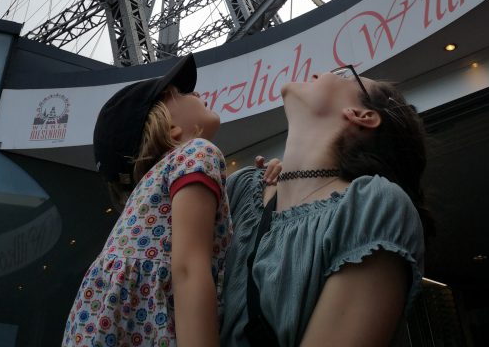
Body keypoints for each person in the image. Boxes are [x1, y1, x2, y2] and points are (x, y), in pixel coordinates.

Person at [220, 66, 430, 347]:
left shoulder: (371, 206)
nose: (322, 72)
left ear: (362, 116)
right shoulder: (241, 188)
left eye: (345, 75)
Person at [62, 54, 229, 347]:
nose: (198, 94)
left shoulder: (148, 188)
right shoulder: (197, 152)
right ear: (170, 129)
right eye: (181, 93)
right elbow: (189, 268)